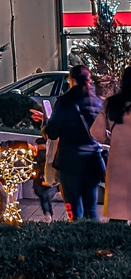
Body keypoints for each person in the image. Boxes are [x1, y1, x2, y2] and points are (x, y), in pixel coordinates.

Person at [38, 65, 103, 221]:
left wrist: (44, 122)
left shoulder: (64, 101)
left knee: (74, 211)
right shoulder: (98, 102)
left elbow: (52, 133)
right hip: (93, 161)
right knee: (91, 209)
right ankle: (92, 242)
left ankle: (76, 242)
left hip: (70, 161)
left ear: (71, 80)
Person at [90, 66, 131, 222]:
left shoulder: (111, 103)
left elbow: (96, 132)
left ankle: (116, 244)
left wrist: (112, 139)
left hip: (118, 165)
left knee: (118, 214)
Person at [31, 135, 58, 222]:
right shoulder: (38, 143)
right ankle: (48, 214)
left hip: (50, 177)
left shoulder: (54, 144)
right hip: (40, 177)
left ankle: (48, 214)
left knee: (45, 196)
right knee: (43, 195)